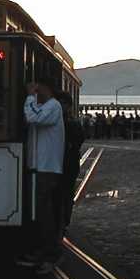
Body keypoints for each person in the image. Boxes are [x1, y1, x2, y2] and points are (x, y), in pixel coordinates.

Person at [17, 77, 65, 274]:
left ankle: (51, 252)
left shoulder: (53, 106)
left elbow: (33, 118)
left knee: (42, 212)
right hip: (39, 166)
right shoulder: (46, 106)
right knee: (37, 210)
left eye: (38, 87)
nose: (36, 90)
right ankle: (40, 250)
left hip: (46, 167)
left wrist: (29, 97)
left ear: (46, 88)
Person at [56, 91, 85, 230]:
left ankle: (64, 220)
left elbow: (78, 141)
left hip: (68, 162)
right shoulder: (73, 121)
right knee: (65, 193)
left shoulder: (71, 123)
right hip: (68, 161)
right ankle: (63, 220)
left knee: (66, 192)